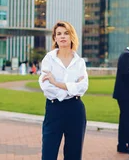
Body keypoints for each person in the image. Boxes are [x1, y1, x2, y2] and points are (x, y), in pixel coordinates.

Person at [38, 21, 89, 160]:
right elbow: (46, 86)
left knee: (74, 153)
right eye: (58, 34)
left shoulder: (79, 62)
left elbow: (83, 87)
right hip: (54, 108)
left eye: (66, 33)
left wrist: (57, 83)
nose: (62, 36)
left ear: (71, 36)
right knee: (49, 152)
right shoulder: (49, 59)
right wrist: (70, 88)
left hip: (75, 109)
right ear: (54, 38)